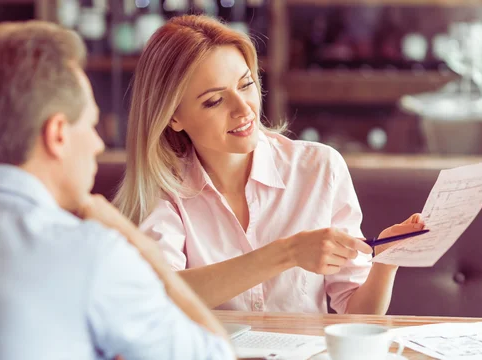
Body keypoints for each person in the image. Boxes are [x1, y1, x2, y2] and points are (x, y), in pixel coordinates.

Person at [0, 20, 245, 360]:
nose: (96, 144)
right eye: (91, 125)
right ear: (57, 134)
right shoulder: (93, 254)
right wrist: (144, 253)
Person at [114, 15, 425, 315]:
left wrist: (386, 261)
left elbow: (357, 313)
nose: (243, 109)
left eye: (246, 84)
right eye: (214, 101)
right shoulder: (164, 186)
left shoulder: (319, 168)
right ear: (173, 117)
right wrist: (287, 253)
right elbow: (158, 296)